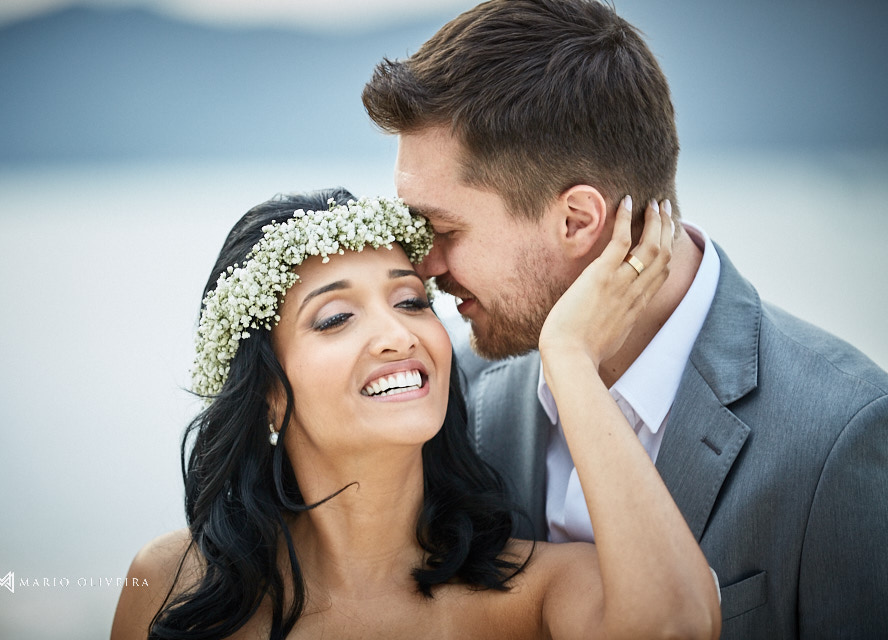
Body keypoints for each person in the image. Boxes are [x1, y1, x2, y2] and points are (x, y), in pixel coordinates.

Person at [361, 0, 888, 638]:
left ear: (578, 221)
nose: (426, 265)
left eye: (443, 229)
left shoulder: (841, 433)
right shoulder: (458, 394)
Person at [110, 188, 720, 639]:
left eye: (410, 300)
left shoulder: (539, 594)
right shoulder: (170, 587)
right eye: (335, 318)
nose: (398, 336)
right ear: (268, 390)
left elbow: (677, 629)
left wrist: (568, 358)